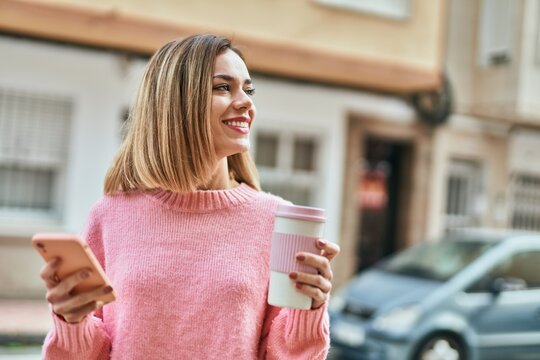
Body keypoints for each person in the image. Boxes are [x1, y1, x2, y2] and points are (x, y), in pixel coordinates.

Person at [38, 34, 340, 359]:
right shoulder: (110, 216)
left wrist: (310, 309)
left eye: (248, 89)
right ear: (177, 103)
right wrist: (70, 321)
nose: (246, 102)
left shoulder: (277, 219)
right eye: (223, 87)